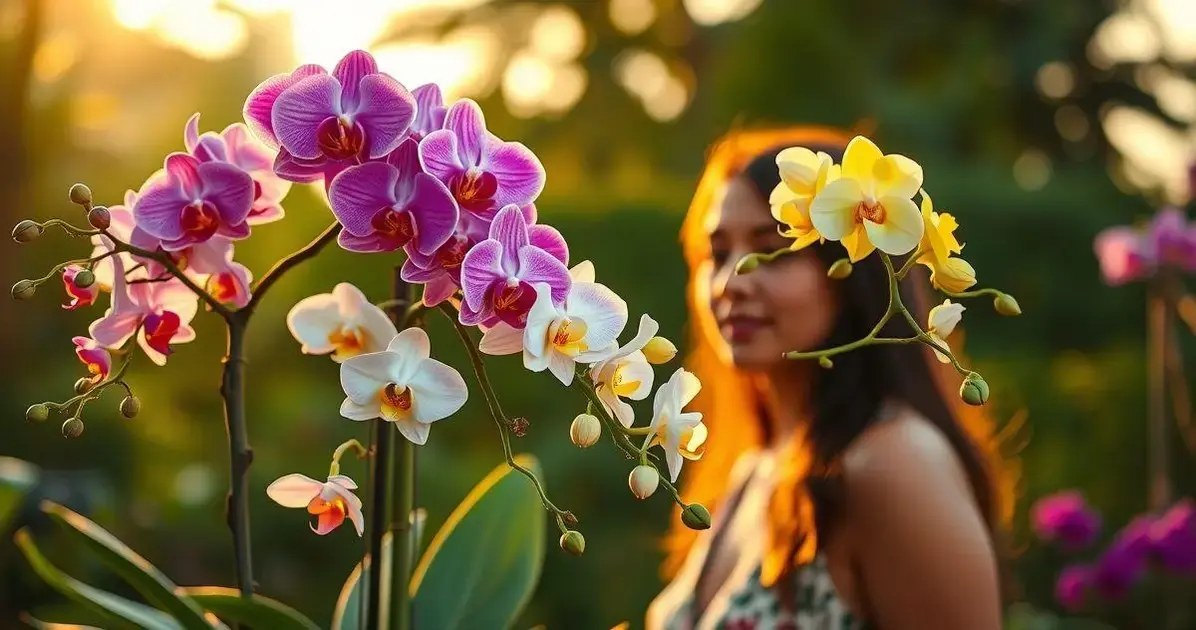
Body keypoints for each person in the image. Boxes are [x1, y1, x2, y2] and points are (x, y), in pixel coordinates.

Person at [645, 125, 1020, 630]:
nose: (732, 281)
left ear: (852, 270)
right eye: (717, 253)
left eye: (774, 249)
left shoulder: (893, 461)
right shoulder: (753, 469)